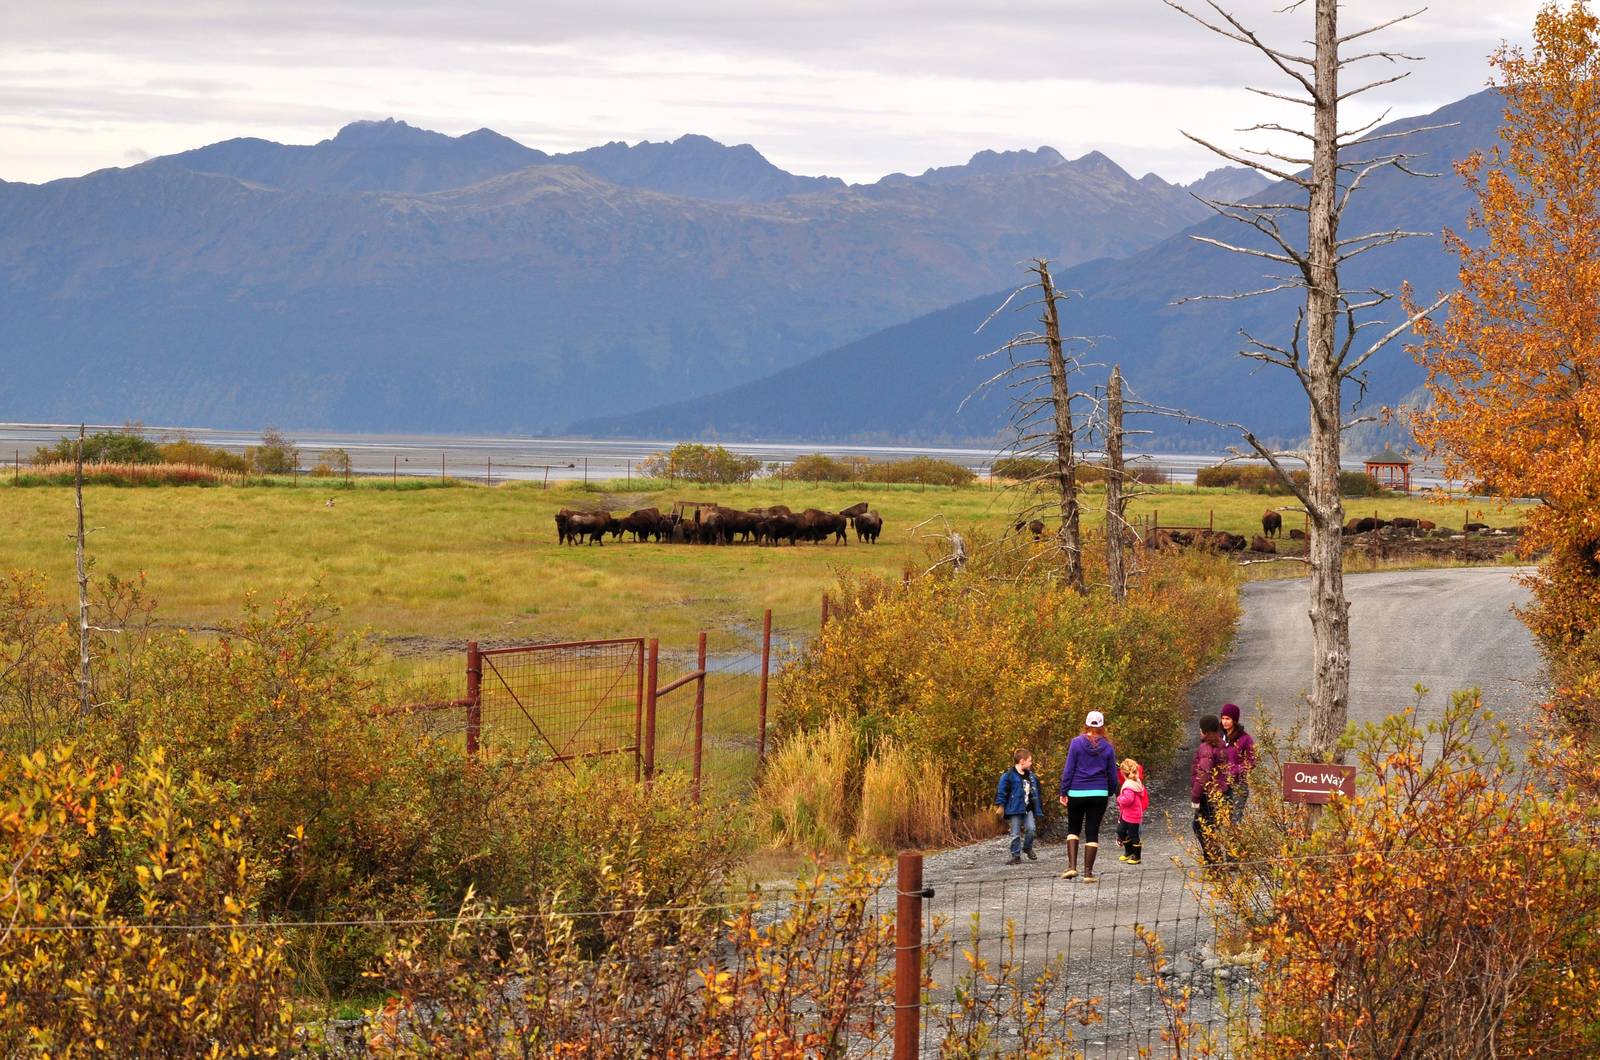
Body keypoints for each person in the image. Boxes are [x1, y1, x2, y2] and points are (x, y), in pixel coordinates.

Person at [1058, 710, 1118, 883]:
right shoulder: (1107, 746)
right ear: (1101, 726)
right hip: (1098, 792)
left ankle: (1071, 867)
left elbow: (1069, 769)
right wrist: (1110, 791)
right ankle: (1088, 873)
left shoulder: (1076, 743)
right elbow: (1112, 773)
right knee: (1092, 831)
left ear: (1086, 724)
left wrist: (1064, 791)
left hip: (1076, 791)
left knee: (1073, 828)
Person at [1190, 714, 1230, 864]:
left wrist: (1195, 797)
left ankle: (1213, 861)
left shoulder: (1206, 748)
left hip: (1207, 795)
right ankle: (1215, 860)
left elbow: (1203, 776)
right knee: (1211, 827)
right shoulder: (1221, 745)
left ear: (1205, 731)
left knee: (1201, 827)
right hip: (1219, 793)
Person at [994, 748, 1043, 865]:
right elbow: (1002, 791)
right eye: (1030, 761)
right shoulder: (1008, 775)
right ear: (1022, 761)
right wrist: (1001, 806)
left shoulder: (1031, 776)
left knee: (1031, 829)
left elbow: (1037, 793)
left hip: (1028, 809)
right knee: (1015, 833)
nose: (1031, 763)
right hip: (1014, 809)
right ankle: (1016, 855)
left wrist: (1038, 807)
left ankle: (1027, 847)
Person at [1219, 703, 1257, 820]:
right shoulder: (1219, 737)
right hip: (1221, 784)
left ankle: (1236, 838)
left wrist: (1235, 771)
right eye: (1223, 718)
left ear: (1234, 720)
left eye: (1228, 719)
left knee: (1235, 819)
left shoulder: (1245, 738)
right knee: (1221, 819)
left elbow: (1252, 760)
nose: (1225, 722)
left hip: (1238, 785)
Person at [1116, 758, 1148, 865]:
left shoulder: (1129, 786)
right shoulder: (1135, 782)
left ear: (1123, 773)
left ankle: (1137, 856)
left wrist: (1119, 798)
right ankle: (1129, 851)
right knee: (1121, 831)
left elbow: (1128, 800)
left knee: (1133, 835)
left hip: (1133, 815)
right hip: (1127, 814)